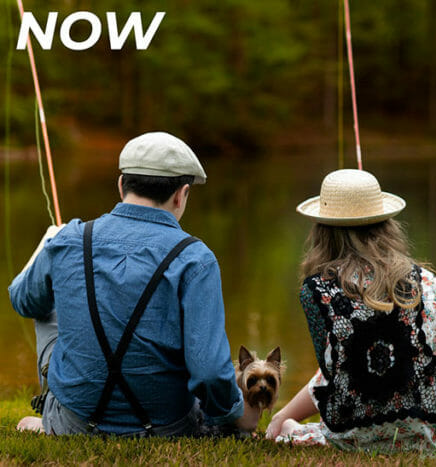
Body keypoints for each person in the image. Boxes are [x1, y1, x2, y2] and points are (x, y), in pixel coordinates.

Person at [9, 132, 260, 436]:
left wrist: (49, 246)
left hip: (75, 424)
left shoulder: (69, 238)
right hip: (167, 427)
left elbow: (23, 300)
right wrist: (236, 416)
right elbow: (208, 373)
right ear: (181, 194)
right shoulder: (196, 259)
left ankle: (49, 420)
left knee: (47, 308)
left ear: (120, 185)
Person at [265, 169, 436, 452]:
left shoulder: (317, 291)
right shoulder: (429, 282)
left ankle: (285, 423)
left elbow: (334, 372)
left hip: (354, 439)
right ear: (386, 225)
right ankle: (285, 420)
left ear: (322, 230)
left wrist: (285, 417)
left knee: (291, 428)